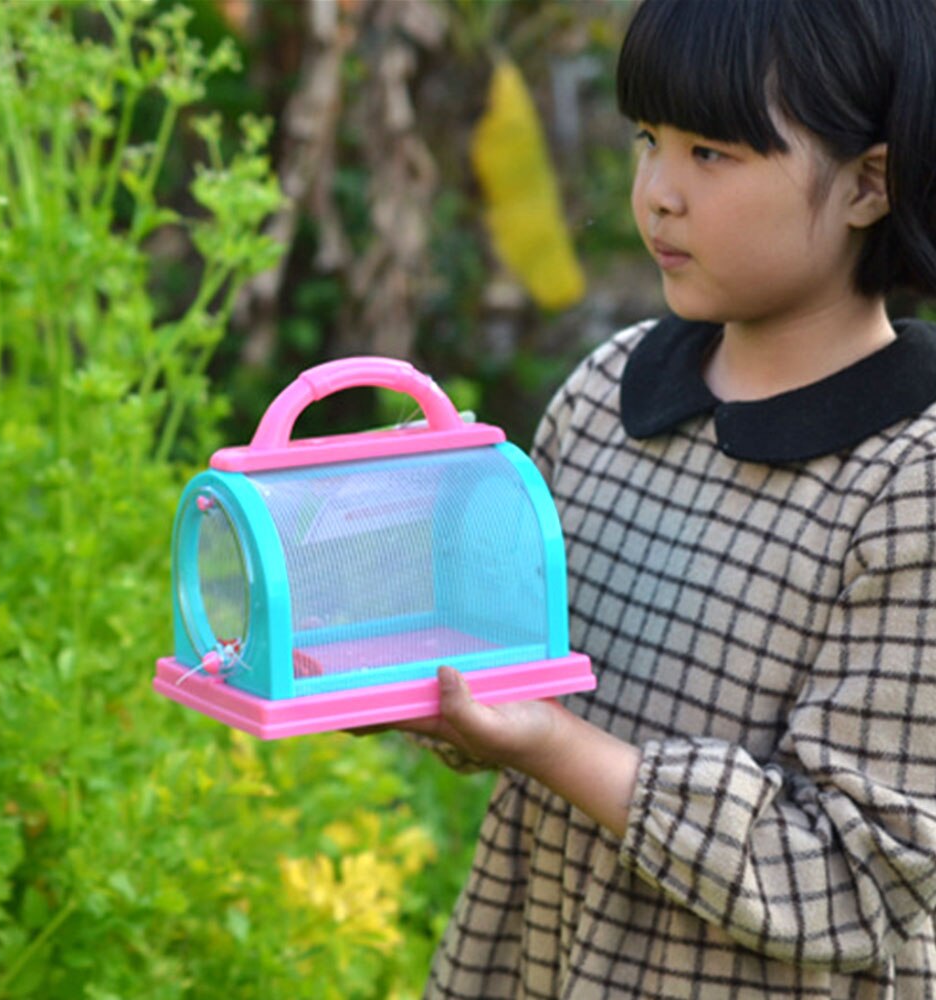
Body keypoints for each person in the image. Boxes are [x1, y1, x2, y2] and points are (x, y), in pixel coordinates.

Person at [401, 0, 936, 996]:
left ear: (869, 184)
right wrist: (418, 683)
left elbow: (854, 880)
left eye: (711, 154)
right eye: (649, 140)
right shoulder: (607, 392)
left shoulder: (910, 482)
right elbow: (521, 678)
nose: (656, 194)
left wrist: (558, 747)